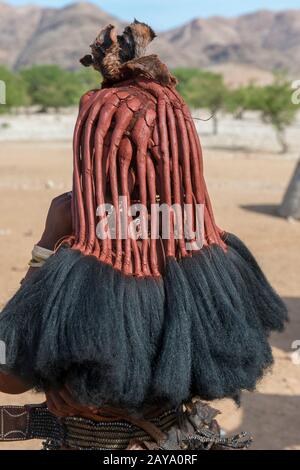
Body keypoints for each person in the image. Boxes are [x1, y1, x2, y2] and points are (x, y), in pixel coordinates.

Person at [0, 20, 287, 450]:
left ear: (91, 153)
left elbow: (7, 373)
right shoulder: (221, 259)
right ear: (183, 150)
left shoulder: (75, 256)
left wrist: (46, 247)